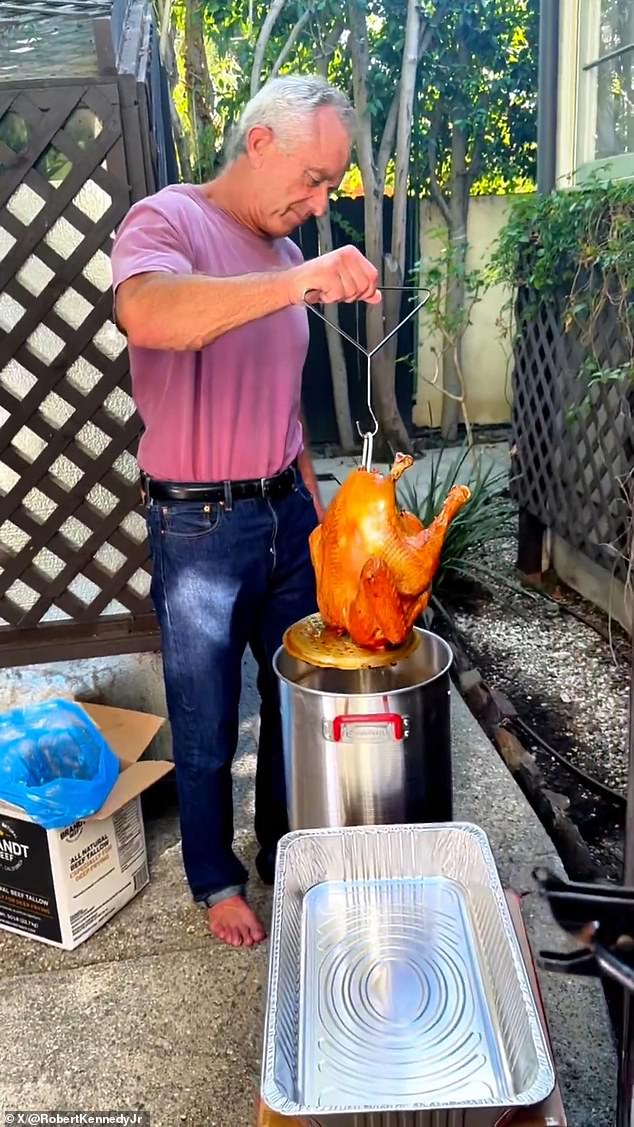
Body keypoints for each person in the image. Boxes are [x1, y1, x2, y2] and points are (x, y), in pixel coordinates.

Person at [110, 74, 380, 949]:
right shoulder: (167, 219)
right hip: (198, 528)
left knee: (301, 693)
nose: (318, 199)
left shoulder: (280, 252)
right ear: (259, 143)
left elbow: (281, 400)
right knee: (206, 714)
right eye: (312, 177)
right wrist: (300, 278)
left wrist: (315, 501)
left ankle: (283, 847)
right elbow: (153, 316)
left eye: (331, 185)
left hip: (286, 512)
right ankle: (215, 878)